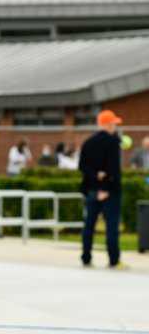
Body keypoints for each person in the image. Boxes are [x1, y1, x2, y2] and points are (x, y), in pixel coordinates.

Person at [78, 110, 127, 269]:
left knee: (89, 224)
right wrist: (105, 188)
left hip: (91, 189)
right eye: (114, 123)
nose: (115, 126)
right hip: (109, 191)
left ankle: (86, 257)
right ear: (108, 124)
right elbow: (112, 168)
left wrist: (96, 174)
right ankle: (114, 259)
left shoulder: (89, 142)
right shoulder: (113, 142)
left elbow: (82, 165)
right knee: (112, 225)